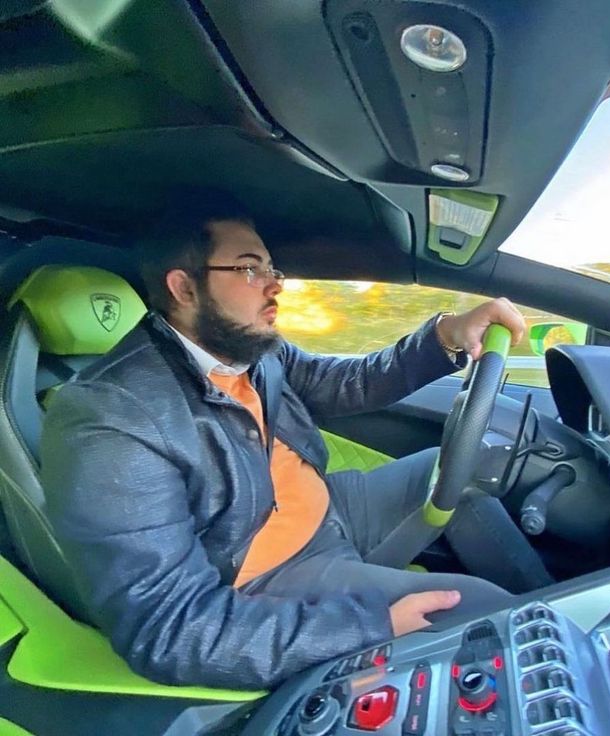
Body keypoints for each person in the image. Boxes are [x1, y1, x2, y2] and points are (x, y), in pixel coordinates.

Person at [41, 195, 530, 691]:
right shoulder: (110, 416)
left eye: (271, 267)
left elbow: (347, 383)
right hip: (270, 566)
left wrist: (446, 334)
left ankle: (561, 597)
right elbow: (170, 627)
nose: (276, 284)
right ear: (183, 287)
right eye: (250, 269)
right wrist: (371, 630)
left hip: (331, 508)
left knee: (468, 465)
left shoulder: (248, 346)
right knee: (481, 615)